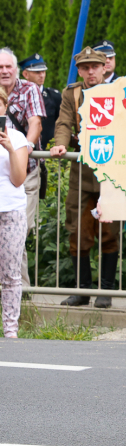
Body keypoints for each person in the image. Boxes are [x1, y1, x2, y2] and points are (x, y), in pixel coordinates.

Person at [49, 46, 120, 308]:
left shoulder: (120, 91)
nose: (90, 71)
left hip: (112, 169)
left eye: (95, 67)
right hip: (83, 168)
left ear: (105, 68)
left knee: (109, 230)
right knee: (78, 229)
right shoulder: (72, 93)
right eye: (85, 67)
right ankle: (81, 290)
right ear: (79, 69)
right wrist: (60, 144)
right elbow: (64, 122)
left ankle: (107, 290)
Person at [2, 49, 45, 291]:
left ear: (17, 69)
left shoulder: (29, 89)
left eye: (8, 67)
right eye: (0, 68)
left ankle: (20, 292)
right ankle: (17, 292)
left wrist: (24, 147)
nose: (5, 71)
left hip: (24, 174)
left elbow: (35, 123)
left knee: (18, 232)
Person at [0, 89, 31, 337]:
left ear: (5, 106)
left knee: (11, 274)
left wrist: (10, 148)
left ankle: (10, 329)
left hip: (11, 211)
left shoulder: (18, 137)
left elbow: (19, 179)